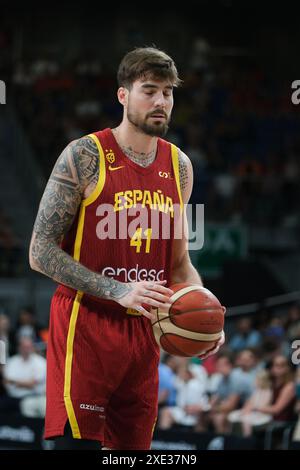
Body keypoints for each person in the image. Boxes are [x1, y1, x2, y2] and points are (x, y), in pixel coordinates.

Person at [29, 46, 224, 450]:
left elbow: (179, 262)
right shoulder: (84, 156)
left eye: (167, 93)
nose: (160, 102)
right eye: (148, 90)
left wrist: (203, 310)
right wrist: (119, 290)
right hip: (87, 324)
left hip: (144, 331)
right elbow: (40, 251)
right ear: (123, 95)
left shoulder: (179, 166)